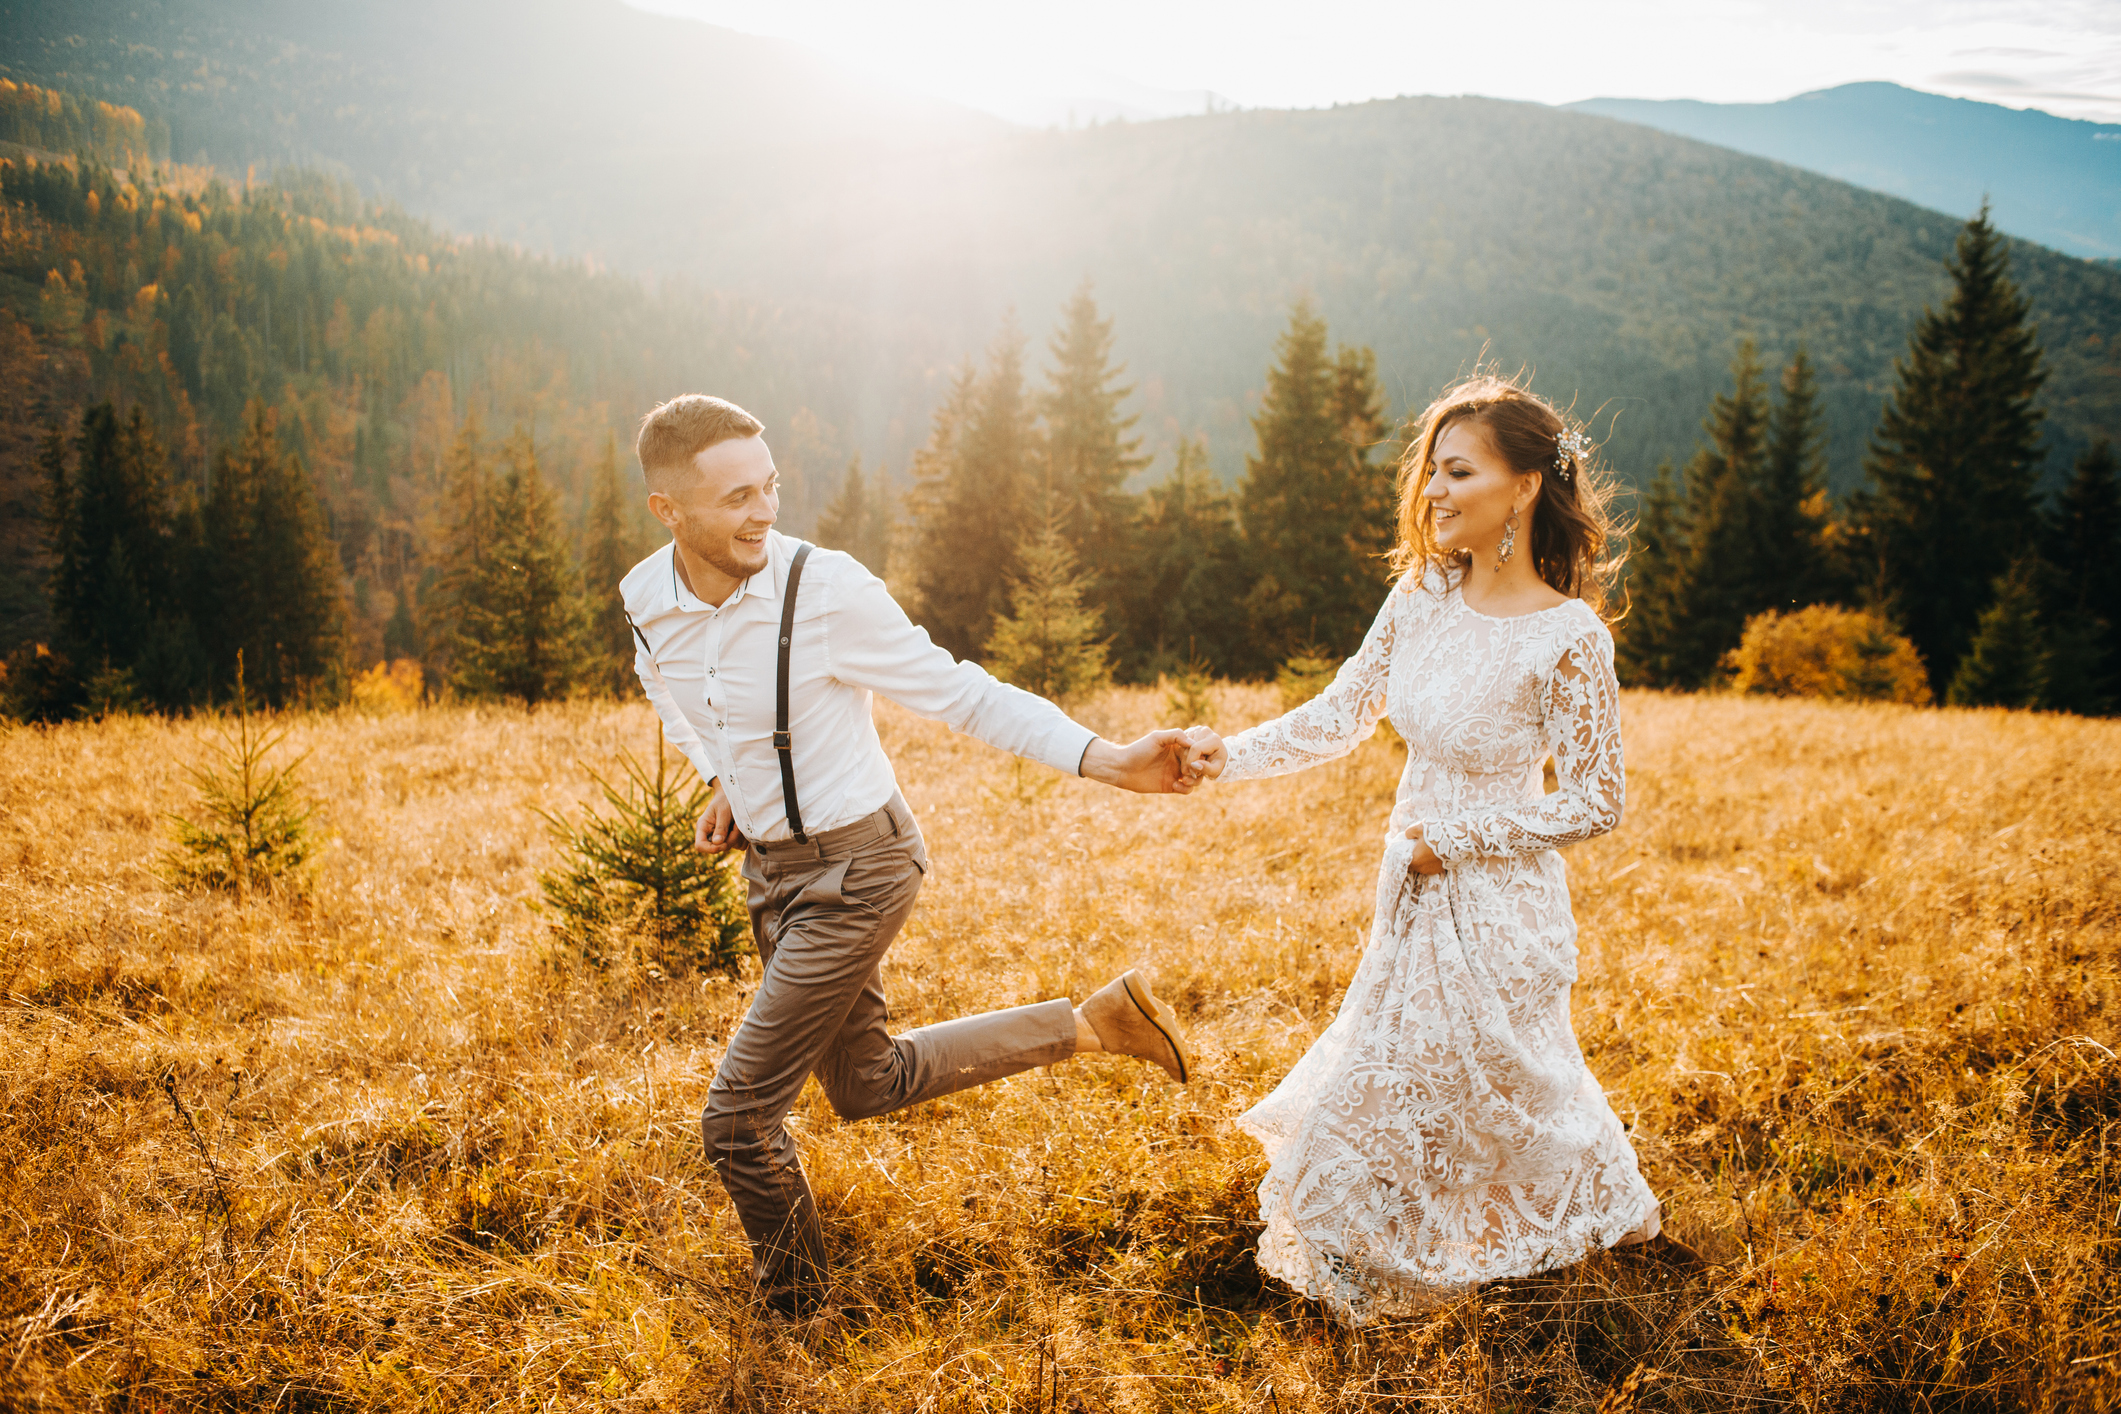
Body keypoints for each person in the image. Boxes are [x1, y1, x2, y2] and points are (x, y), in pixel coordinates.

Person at [620, 394, 1198, 1319]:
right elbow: (670, 688)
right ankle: (1093, 1024)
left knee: (736, 1120)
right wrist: (724, 775)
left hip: (862, 867)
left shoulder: (827, 591)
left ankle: (797, 1317)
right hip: (769, 874)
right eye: (736, 498)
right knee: (863, 1084)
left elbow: (963, 695)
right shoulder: (647, 599)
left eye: (769, 487)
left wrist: (1108, 760)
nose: (764, 511)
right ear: (669, 511)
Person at [1184, 374, 1668, 1323]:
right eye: (1430, 473)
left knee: (1494, 1096)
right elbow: (1342, 714)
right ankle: (1383, 1268)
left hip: (1496, 907)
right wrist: (1223, 755)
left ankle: (1517, 1267)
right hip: (1406, 887)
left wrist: (1456, 835)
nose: (1432, 492)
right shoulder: (1422, 594)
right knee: (1407, 1088)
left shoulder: (1568, 637)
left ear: (1524, 485)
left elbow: (1596, 800)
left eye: (1458, 471)